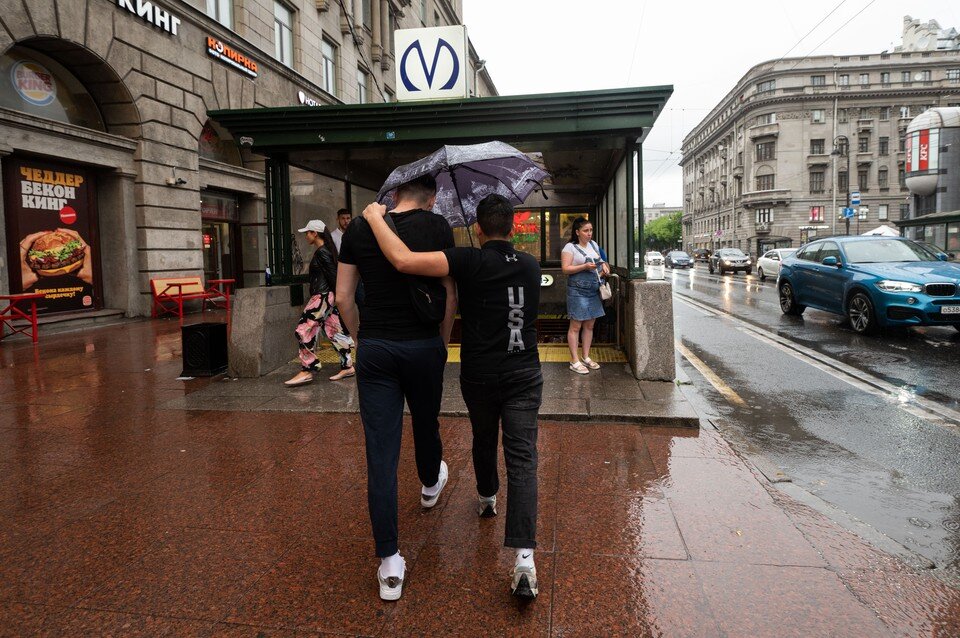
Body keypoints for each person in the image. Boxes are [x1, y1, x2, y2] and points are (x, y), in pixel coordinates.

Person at [363, 193, 543, 600]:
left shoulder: (467, 260)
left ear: (478, 228)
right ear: (512, 228)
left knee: (483, 437)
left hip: (480, 373)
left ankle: (486, 496)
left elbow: (404, 261)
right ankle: (524, 559)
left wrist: (376, 218)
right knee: (523, 457)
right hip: (524, 372)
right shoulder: (530, 265)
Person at [335, 175, 457, 601]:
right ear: (432, 197)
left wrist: (362, 337)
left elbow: (343, 298)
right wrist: (441, 343)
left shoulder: (358, 227)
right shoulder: (438, 227)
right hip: (422, 345)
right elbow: (448, 293)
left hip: (377, 349)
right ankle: (428, 485)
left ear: (394, 194)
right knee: (426, 421)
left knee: (380, 453)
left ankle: (389, 563)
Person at [284, 220, 355, 386]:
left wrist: (338, 298)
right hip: (327, 297)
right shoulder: (325, 251)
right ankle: (348, 366)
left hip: (322, 297)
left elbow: (334, 276)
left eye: (307, 232)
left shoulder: (322, 252)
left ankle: (308, 368)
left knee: (302, 330)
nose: (306, 236)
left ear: (315, 233)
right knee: (334, 330)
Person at [560, 217, 609, 374]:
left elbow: (602, 262)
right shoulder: (570, 247)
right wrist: (584, 266)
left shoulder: (594, 245)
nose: (589, 234)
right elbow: (565, 269)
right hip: (577, 290)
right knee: (576, 326)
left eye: (591, 230)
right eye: (586, 231)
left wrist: (605, 269)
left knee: (590, 325)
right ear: (577, 232)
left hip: (593, 289)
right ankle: (574, 360)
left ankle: (586, 357)